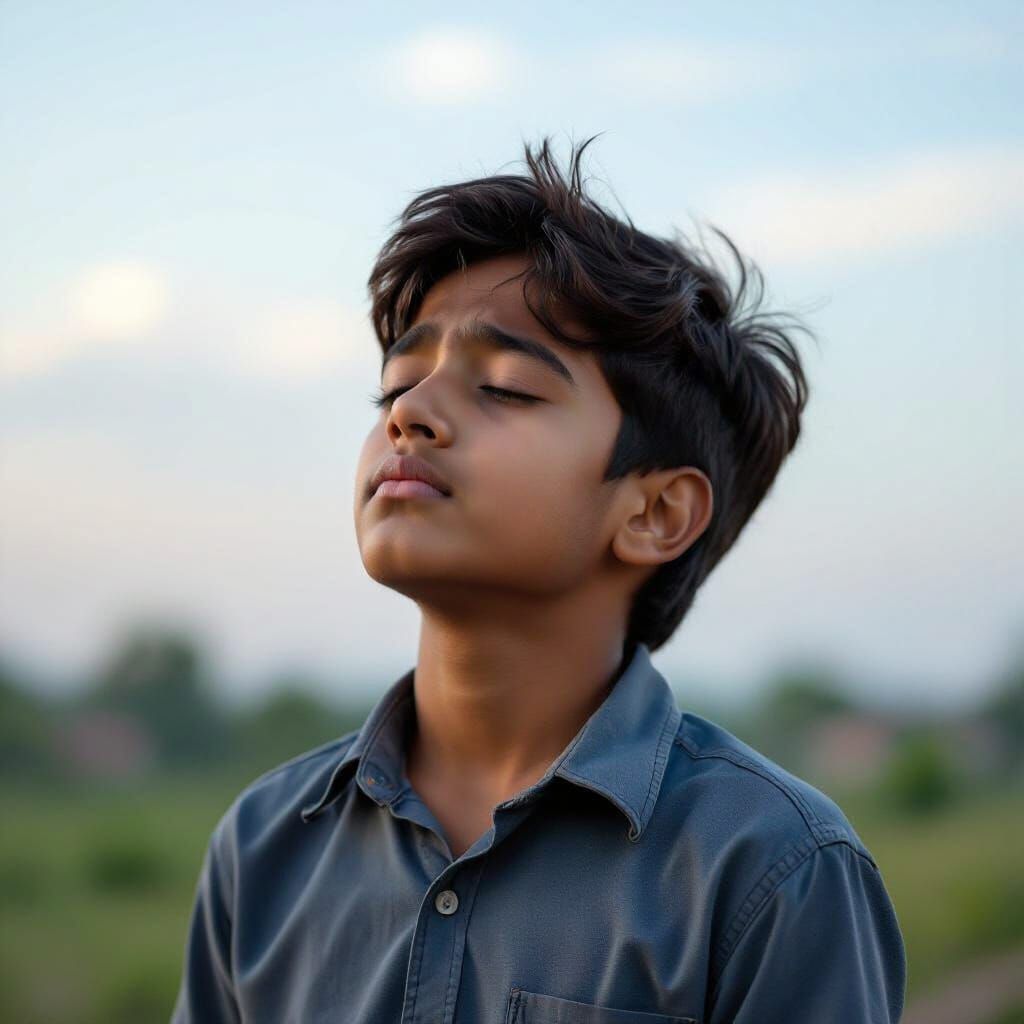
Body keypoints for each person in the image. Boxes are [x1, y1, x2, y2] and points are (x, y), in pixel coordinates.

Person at [171, 134, 906, 1023]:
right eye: (396, 384)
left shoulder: (772, 868)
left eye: (507, 388)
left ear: (655, 514)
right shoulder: (263, 847)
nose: (409, 414)